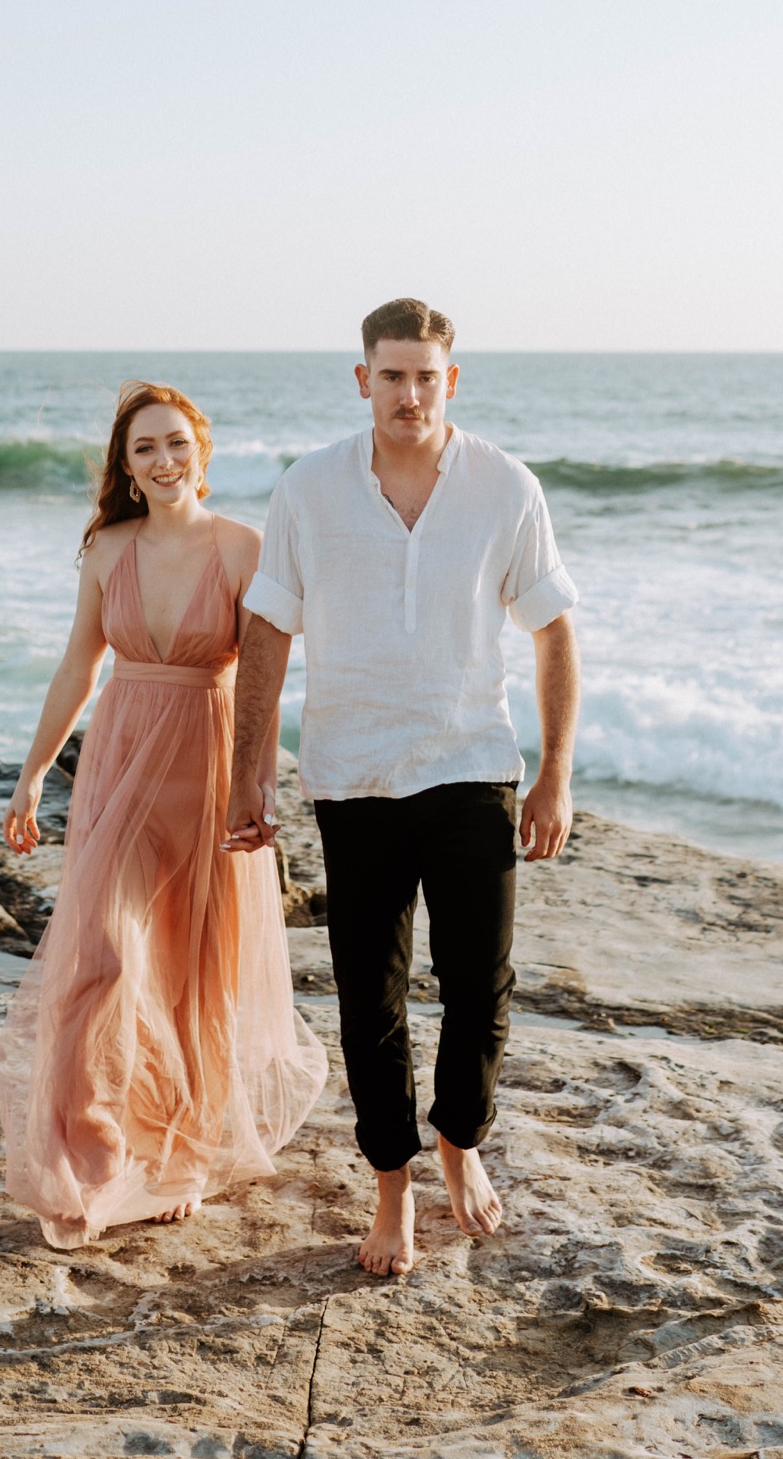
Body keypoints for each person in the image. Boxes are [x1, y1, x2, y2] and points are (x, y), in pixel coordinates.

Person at [225, 299, 580, 1278]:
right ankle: (394, 1184)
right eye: (392, 374)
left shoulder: (505, 486)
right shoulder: (310, 489)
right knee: (368, 999)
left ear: (451, 381)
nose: (410, 392)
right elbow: (266, 630)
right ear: (362, 379)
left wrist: (555, 771)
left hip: (473, 768)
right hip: (352, 776)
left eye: (427, 375)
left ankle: (460, 1139)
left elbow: (552, 629)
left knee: (480, 985)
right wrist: (251, 768)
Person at [0, 379, 326, 1247]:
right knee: (101, 944)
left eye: (177, 443)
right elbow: (78, 668)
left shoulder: (247, 549)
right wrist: (33, 773)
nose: (164, 460)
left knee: (193, 969)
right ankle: (94, 1135)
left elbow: (266, 681)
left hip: (208, 763)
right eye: (145, 448)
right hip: (121, 760)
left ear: (202, 453)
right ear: (128, 467)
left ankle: (179, 1154)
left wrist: (258, 784)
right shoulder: (108, 549)